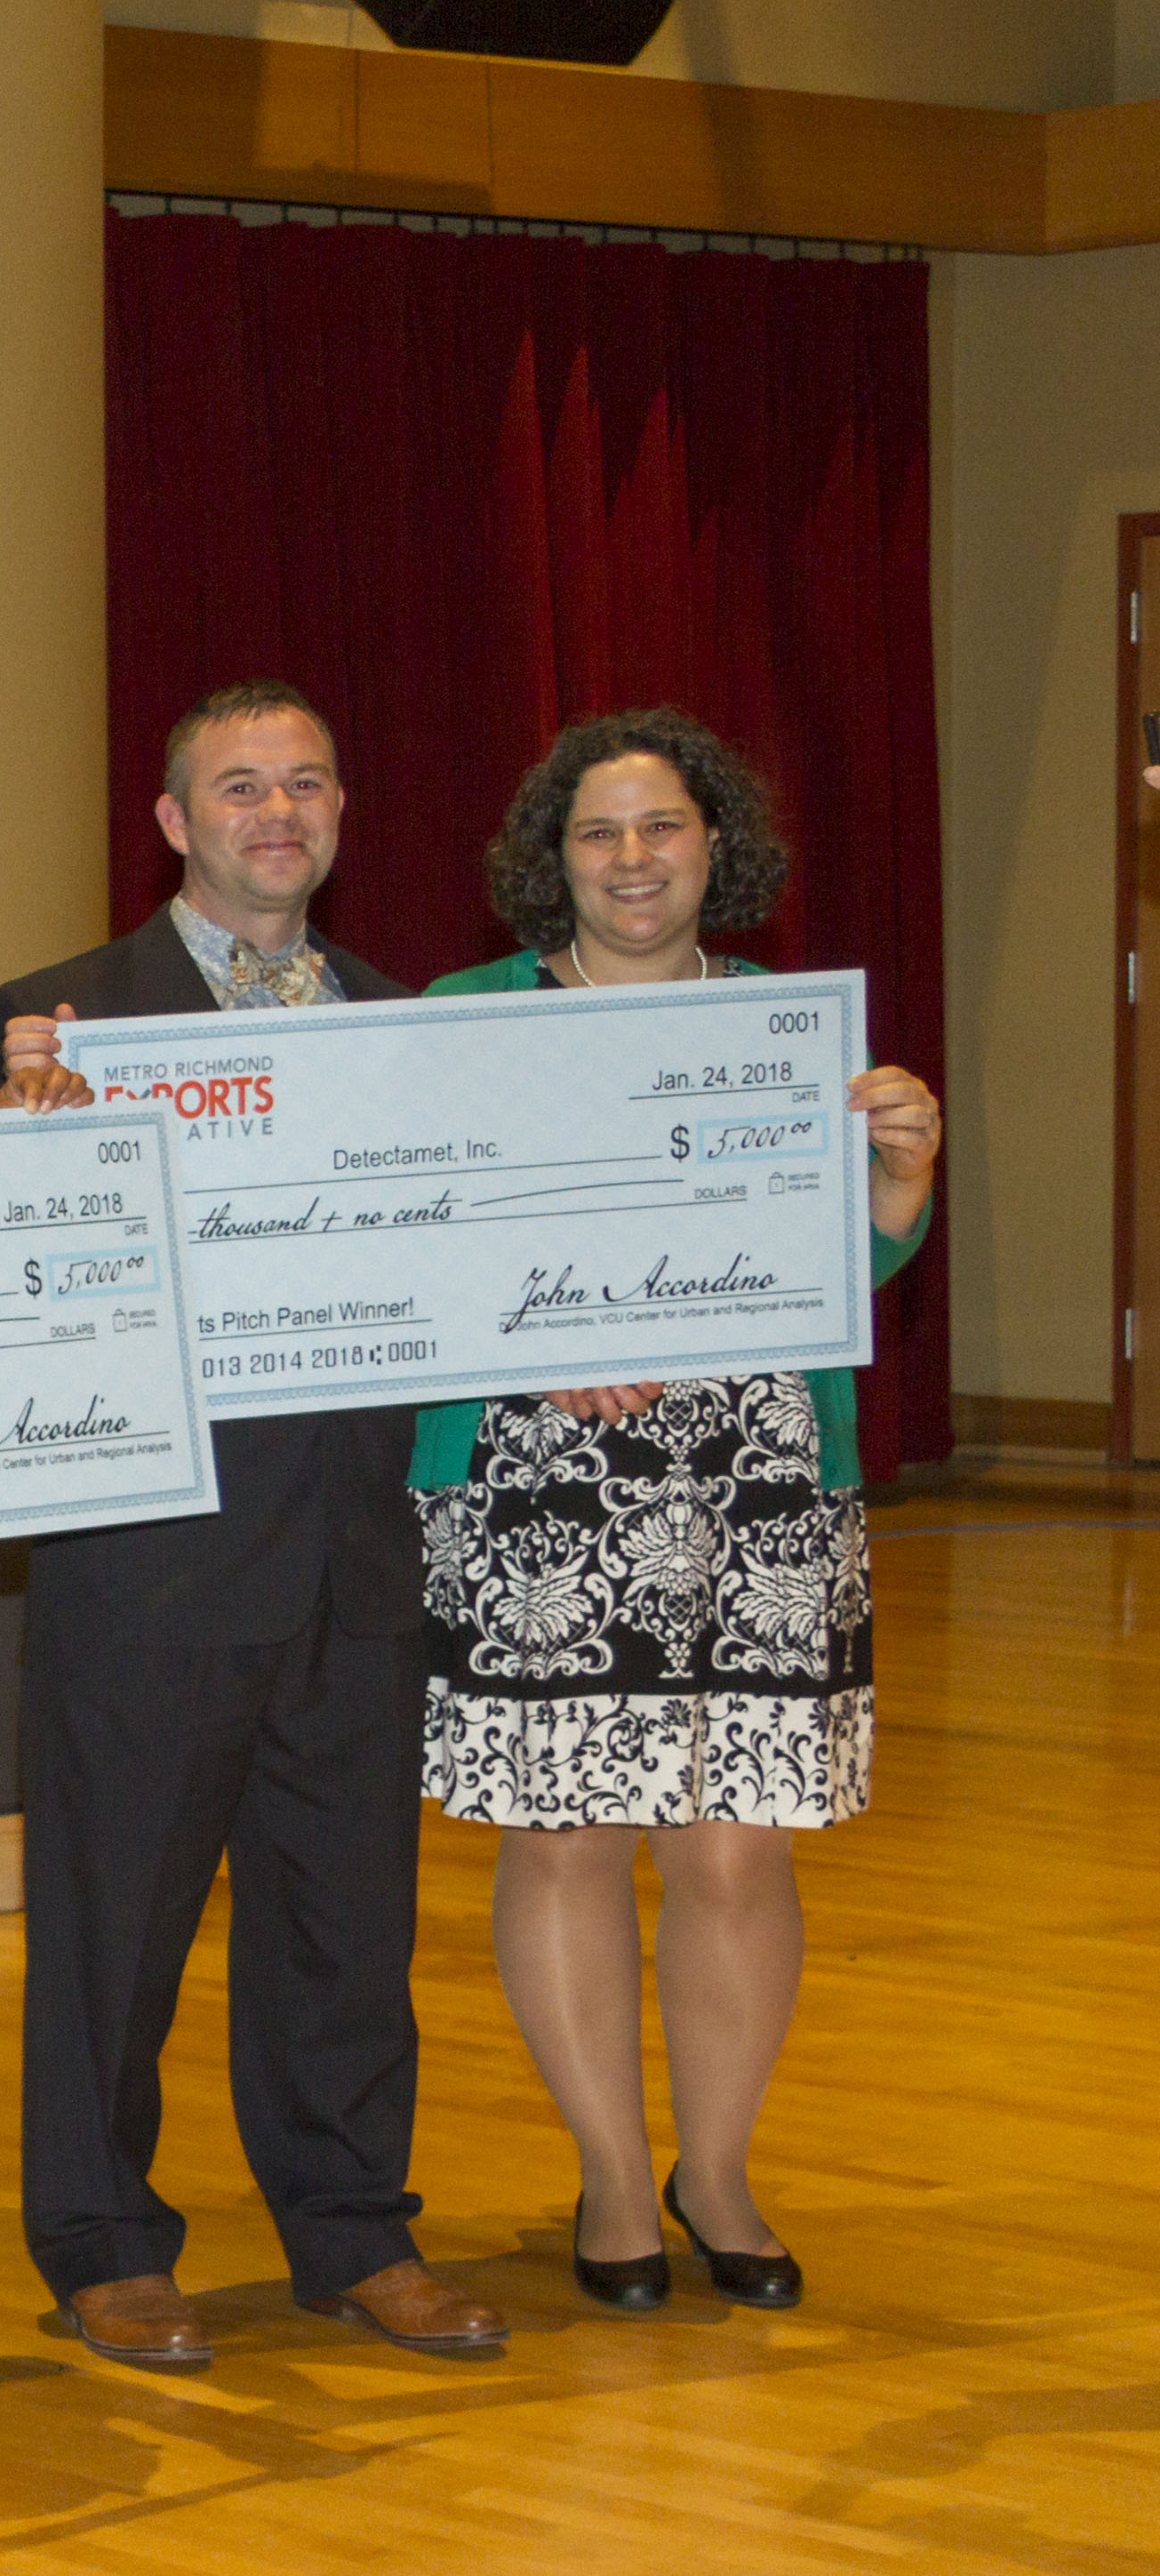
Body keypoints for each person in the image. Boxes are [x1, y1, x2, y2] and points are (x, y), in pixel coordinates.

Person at [0, 680, 508, 2365]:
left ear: (342, 812)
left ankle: (355, 2230)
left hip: (357, 1548)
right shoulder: (58, 1027)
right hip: (150, 1559)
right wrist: (11, 1171)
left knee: (348, 1926)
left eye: (306, 784)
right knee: (112, 1930)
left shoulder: (395, 1019)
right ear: (171, 822)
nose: (276, 813)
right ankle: (104, 2243)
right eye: (238, 788)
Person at [414, 710, 940, 2310]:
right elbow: (405, 1237)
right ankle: (608, 2178)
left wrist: (898, 1193)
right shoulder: (459, 1020)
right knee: (565, 1834)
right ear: (548, 859)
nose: (633, 859)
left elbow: (836, 1275)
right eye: (599, 833)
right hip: (533, 1475)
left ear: (719, 848)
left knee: (732, 1851)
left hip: (757, 1475)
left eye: (663, 829)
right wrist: (542, 1342)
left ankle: (717, 2172)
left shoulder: (794, 1036)